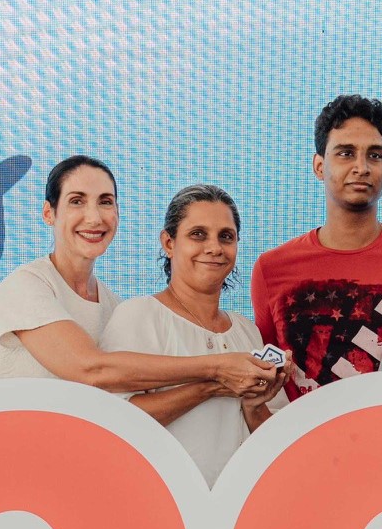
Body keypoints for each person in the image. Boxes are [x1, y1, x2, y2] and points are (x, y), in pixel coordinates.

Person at [0, 155, 280, 398]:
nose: (94, 217)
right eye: (77, 201)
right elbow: (91, 369)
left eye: (105, 202)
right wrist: (217, 369)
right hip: (23, 447)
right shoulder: (24, 286)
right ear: (48, 213)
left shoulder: (113, 306)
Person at [250, 94, 382, 399]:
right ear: (319, 166)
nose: (361, 167)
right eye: (345, 153)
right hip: (300, 430)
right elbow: (264, 384)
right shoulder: (271, 269)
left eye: (375, 155)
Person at [102, 185, 286, 483]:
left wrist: (255, 406)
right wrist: (211, 386)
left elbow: (275, 440)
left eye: (226, 236)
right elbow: (114, 421)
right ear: (169, 242)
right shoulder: (139, 315)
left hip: (236, 502)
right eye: (198, 234)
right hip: (164, 500)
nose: (214, 248)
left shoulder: (246, 331)